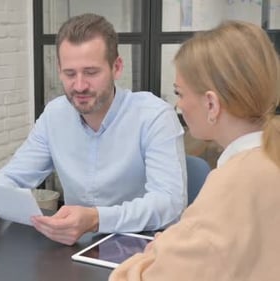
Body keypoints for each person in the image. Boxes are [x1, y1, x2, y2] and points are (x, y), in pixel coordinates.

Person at [0, 13, 186, 245]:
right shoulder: (54, 115)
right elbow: (16, 174)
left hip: (142, 248)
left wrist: (96, 219)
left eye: (91, 72)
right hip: (75, 247)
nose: (79, 86)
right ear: (59, 69)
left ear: (117, 67)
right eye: (70, 74)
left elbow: (169, 203)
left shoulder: (154, 115)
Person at [110, 20, 280, 280]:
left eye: (180, 93)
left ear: (211, 103)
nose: (179, 105)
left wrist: (155, 253)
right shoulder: (267, 160)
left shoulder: (230, 187)